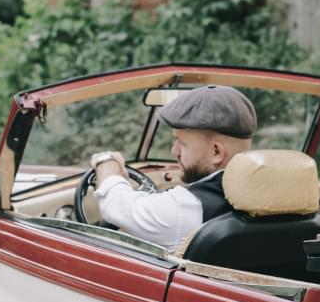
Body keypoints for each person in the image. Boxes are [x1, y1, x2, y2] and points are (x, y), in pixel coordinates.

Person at [92, 85, 257, 252]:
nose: (174, 151)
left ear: (216, 152)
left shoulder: (185, 208)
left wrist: (107, 164)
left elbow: (115, 206)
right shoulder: (264, 192)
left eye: (182, 143)